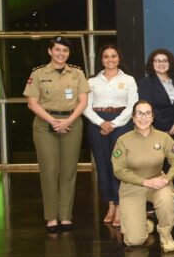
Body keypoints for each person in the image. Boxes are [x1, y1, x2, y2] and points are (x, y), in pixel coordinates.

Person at [24, 36, 90, 234]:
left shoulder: (77, 73)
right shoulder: (38, 73)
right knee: (50, 170)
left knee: (68, 171)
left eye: (65, 51)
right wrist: (53, 121)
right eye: (58, 50)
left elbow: (83, 102)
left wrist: (68, 121)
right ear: (50, 51)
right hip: (45, 124)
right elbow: (32, 103)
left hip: (72, 123)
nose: (61, 54)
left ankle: (65, 215)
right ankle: (51, 217)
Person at [111, 99, 174, 251]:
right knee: (134, 241)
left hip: (157, 184)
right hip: (132, 187)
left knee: (166, 199)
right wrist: (144, 182)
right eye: (139, 113)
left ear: (152, 117)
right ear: (133, 117)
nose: (143, 117)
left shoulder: (163, 137)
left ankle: (165, 234)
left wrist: (167, 178)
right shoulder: (123, 141)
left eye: (147, 113)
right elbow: (119, 170)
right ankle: (143, 224)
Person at [84, 44, 137, 227]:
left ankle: (120, 205)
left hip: (121, 123)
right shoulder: (92, 81)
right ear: (101, 60)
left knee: (119, 165)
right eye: (106, 56)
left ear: (119, 58)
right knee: (103, 165)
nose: (110, 59)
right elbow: (85, 106)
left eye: (113, 56)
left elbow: (132, 106)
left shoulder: (129, 80)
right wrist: (101, 123)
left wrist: (113, 124)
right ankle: (110, 205)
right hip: (97, 123)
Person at [137, 48, 174, 142]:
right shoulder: (146, 82)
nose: (161, 64)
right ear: (152, 63)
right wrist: (167, 126)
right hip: (155, 129)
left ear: (170, 63)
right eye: (157, 61)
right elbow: (148, 108)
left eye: (165, 61)